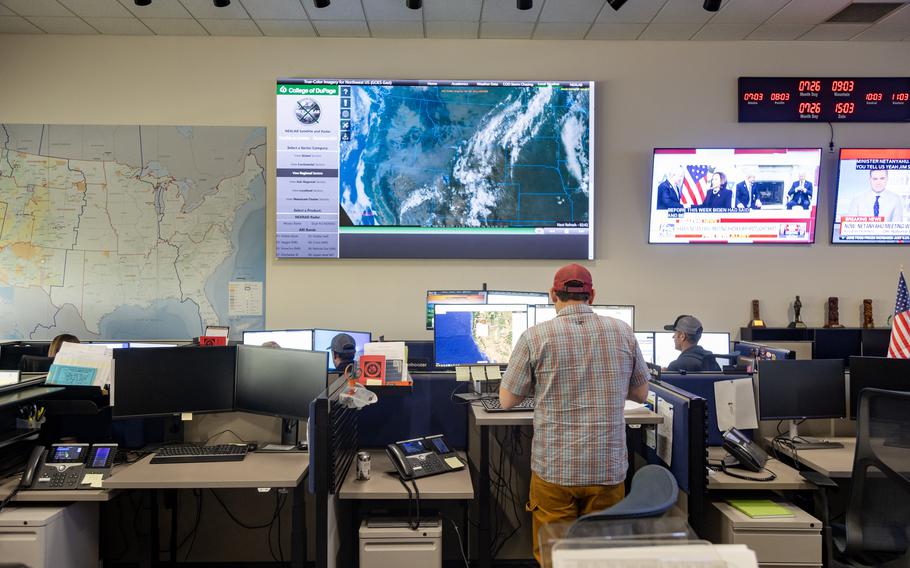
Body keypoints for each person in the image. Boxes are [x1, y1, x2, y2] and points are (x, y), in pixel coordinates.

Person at [499, 264, 650, 563]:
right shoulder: (623, 331)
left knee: (555, 558)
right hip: (607, 468)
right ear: (591, 295)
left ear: (552, 295)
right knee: (600, 558)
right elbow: (640, 393)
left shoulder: (535, 336)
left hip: (555, 469)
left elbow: (506, 400)